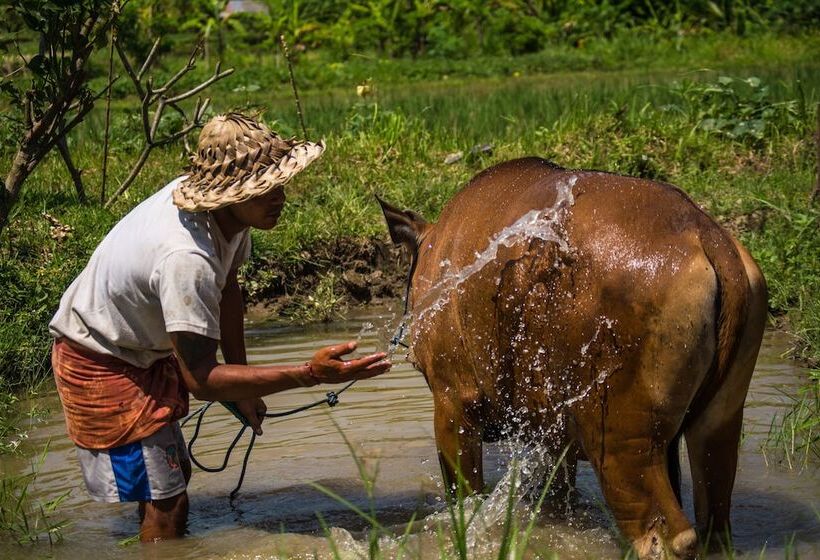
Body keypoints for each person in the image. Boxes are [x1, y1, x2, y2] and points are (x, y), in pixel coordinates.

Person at [48, 113, 392, 542]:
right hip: (102, 360)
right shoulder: (186, 257)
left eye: (278, 185)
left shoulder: (227, 218)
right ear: (229, 196)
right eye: (265, 189)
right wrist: (308, 374)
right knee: (169, 502)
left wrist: (247, 384)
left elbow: (229, 289)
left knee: (170, 478)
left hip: (140, 348)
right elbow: (200, 380)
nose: (279, 197)